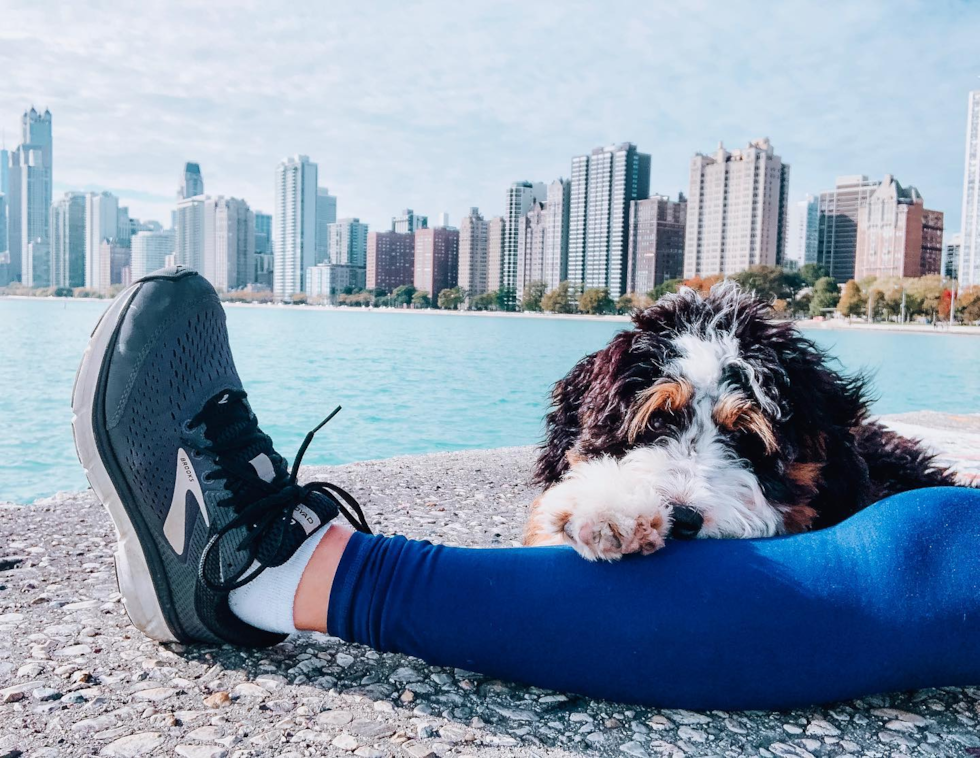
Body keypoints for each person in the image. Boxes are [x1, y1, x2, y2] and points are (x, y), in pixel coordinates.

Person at [71, 268, 980, 711]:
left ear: (826, 450)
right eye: (654, 429)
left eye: (744, 444)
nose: (696, 478)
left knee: (930, 549)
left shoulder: (860, 477)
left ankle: (282, 576)